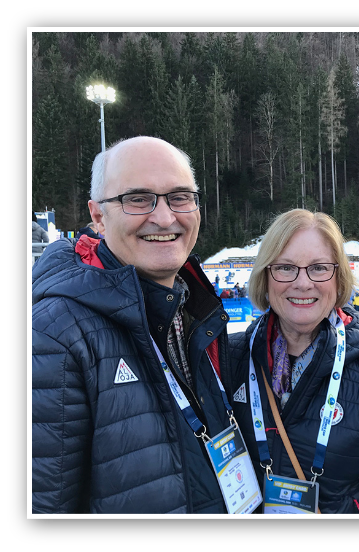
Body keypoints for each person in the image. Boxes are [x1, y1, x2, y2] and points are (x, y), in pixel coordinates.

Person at [32, 136, 236, 514]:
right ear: (97, 215)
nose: (164, 217)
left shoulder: (196, 307)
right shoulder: (55, 334)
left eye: (179, 196)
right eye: (138, 198)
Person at [229, 209, 359, 514]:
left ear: (338, 278)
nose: (303, 283)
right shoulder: (230, 358)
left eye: (319, 268)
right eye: (285, 267)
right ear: (265, 277)